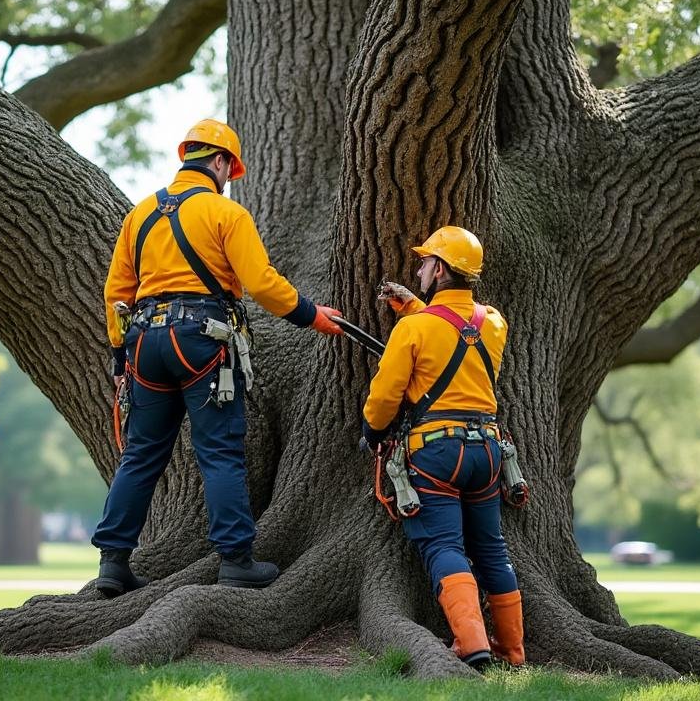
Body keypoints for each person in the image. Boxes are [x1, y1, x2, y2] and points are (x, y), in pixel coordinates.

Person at [94, 118, 343, 595]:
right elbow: (262, 283)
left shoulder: (140, 214)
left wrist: (118, 358)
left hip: (144, 342)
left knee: (141, 455)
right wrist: (311, 315)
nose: (230, 177)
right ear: (221, 161)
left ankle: (113, 563)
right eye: (231, 168)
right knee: (220, 452)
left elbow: (116, 293)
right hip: (202, 339)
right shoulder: (226, 213)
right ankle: (235, 560)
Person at [361, 225, 524, 669]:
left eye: (424, 262)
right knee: (491, 549)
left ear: (440, 270)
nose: (417, 270)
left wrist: (372, 431)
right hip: (488, 451)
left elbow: (386, 396)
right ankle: (512, 651)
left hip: (436, 454)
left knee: (443, 547)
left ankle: (473, 646)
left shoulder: (413, 329)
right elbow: (458, 334)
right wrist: (416, 307)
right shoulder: (494, 323)